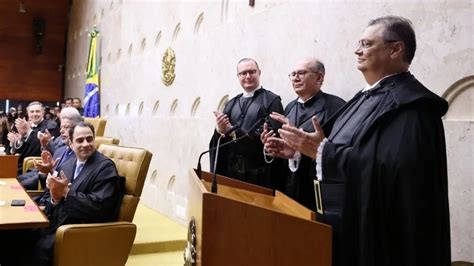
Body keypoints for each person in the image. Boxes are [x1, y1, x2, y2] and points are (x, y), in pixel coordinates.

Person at [268, 16, 450, 266]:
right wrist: (299, 151)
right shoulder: (363, 98)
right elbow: (335, 148)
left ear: (396, 49)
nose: (357, 50)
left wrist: (323, 152)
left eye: (366, 44)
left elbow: (398, 173)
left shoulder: (413, 107)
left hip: (380, 238)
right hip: (346, 226)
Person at [0, 122, 124, 266]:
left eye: (89, 139)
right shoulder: (68, 164)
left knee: (38, 249)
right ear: (70, 144)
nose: (86, 144)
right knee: (10, 235)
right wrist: (55, 197)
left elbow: (101, 207)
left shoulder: (105, 167)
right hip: (55, 220)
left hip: (77, 229)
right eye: (80, 140)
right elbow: (52, 197)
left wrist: (66, 193)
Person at [261, 57, 345, 210]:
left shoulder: (336, 106)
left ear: (319, 77)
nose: (295, 78)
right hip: (290, 186)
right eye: (292, 74)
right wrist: (272, 146)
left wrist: (300, 145)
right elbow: (286, 150)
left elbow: (339, 153)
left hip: (316, 188)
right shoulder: (290, 107)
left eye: (301, 73)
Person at [209, 58, 284, 189]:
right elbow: (222, 140)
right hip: (232, 173)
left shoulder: (271, 101)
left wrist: (233, 131)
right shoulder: (231, 104)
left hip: (259, 175)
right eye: (243, 73)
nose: (248, 76)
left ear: (259, 73)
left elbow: (271, 136)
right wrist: (220, 130)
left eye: (252, 72)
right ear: (238, 76)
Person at [18, 108, 83, 190]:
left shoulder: (78, 152)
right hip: (48, 176)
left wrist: (49, 142)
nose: (61, 131)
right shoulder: (62, 140)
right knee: (16, 181)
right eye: (61, 127)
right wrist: (45, 145)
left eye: (66, 127)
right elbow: (54, 154)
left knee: (18, 186)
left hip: (56, 183)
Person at [6, 101, 60, 173]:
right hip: (20, 162)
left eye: (37, 111)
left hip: (36, 165)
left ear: (43, 112)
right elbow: (19, 151)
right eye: (32, 112)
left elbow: (39, 149)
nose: (34, 114)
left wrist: (29, 131)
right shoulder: (27, 126)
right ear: (28, 114)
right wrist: (18, 139)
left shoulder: (51, 126)